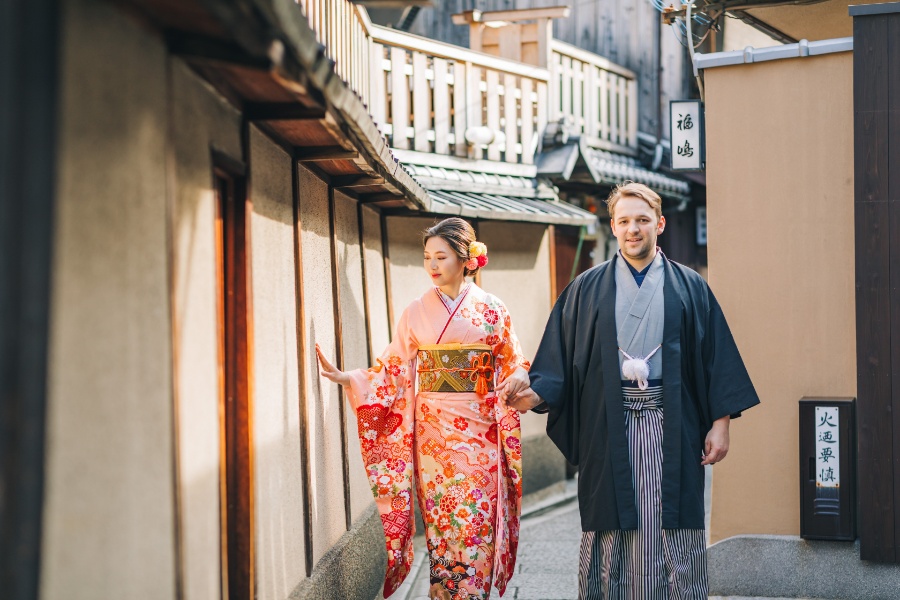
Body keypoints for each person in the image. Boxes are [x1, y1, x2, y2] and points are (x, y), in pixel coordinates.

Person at [509, 182, 760, 599]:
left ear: (659, 224)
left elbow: (715, 356)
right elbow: (558, 361)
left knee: (674, 523)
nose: (633, 229)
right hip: (608, 424)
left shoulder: (689, 286)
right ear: (613, 225)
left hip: (673, 422)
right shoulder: (586, 289)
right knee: (611, 521)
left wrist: (720, 423)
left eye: (642, 220)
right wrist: (533, 396)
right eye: (624, 221)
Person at [316, 217, 530, 600]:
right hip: (432, 438)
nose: (432, 265)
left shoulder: (493, 309)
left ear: (466, 259)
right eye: (427, 256)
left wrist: (517, 379)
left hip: (481, 433)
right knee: (443, 521)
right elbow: (393, 367)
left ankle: (472, 593)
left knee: (475, 519)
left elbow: (514, 361)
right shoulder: (416, 311)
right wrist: (353, 379)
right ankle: (447, 592)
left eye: (441, 256)